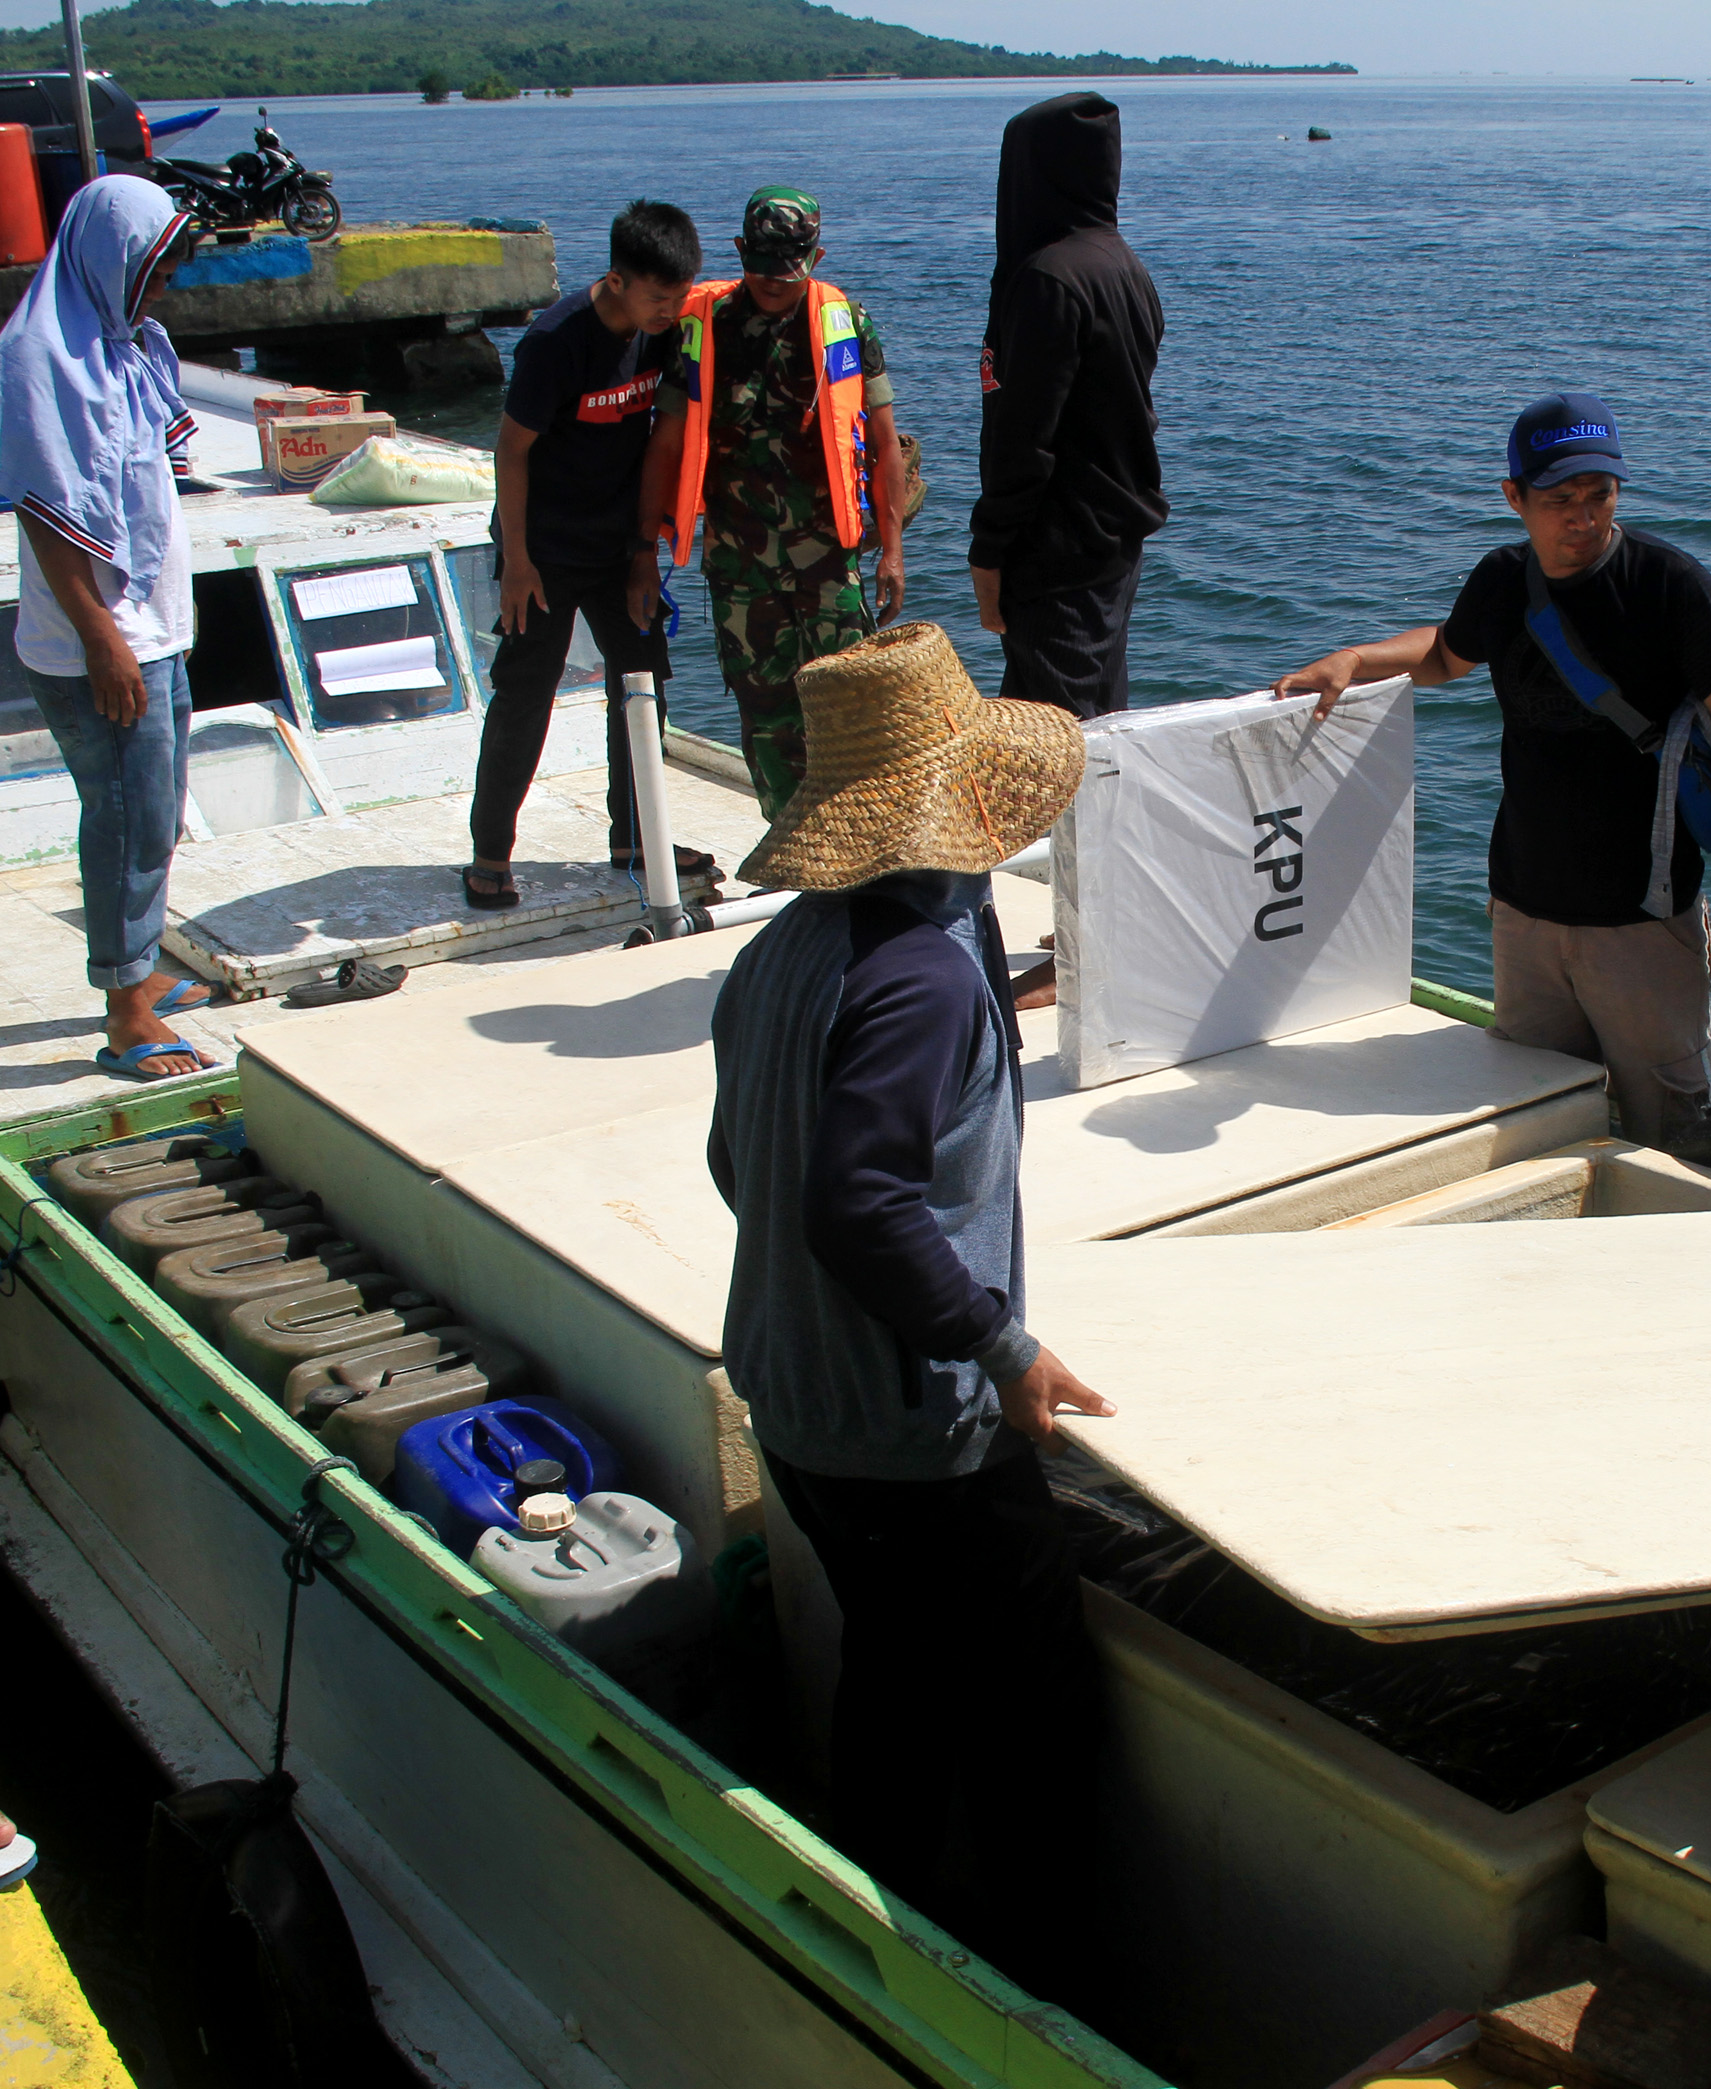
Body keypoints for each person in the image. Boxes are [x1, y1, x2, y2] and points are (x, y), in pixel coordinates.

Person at [705, 621, 1108, 1996]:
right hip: (912, 1432)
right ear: (971, 804)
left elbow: (738, 1166)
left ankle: (871, 1944)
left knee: (894, 1665)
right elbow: (860, 1202)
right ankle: (1049, 2000)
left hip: (793, 1401)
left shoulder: (786, 954)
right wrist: (1003, 1343)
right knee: (1036, 1725)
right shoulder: (926, 976)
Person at [1271, 391, 1711, 1147]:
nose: (1583, 517)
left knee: (1671, 1127)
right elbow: (1449, 653)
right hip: (1525, 914)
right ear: (1514, 497)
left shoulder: (1670, 586)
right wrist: (1356, 658)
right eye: (1559, 499)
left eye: (1600, 495)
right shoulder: (1504, 580)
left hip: (1642, 921)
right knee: (1537, 1116)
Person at [1, 176, 212, 1082]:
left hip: (153, 625)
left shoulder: (124, 344)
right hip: (103, 636)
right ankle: (126, 1013)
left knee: (158, 806)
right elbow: (48, 511)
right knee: (125, 814)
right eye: (153, 266)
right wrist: (100, 637)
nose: (161, 286)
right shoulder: (38, 355)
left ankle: (140, 966)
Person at [465, 199, 712, 911]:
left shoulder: (659, 333)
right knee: (525, 692)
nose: (671, 310)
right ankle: (490, 854)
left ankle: (635, 836)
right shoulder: (555, 342)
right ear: (617, 279)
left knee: (643, 680)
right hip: (539, 548)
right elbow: (511, 452)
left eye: (679, 295)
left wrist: (643, 553)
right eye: (659, 297)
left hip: (616, 545)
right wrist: (516, 560)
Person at [642, 186, 907, 817]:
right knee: (766, 717)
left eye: (788, 266)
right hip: (740, 568)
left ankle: (865, 843)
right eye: (760, 265)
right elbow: (665, 443)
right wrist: (640, 554)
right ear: (738, 252)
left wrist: (892, 551)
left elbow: (883, 441)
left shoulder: (845, 320)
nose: (774, 281)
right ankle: (793, 847)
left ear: (815, 254)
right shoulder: (703, 327)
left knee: (852, 707)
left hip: (827, 562)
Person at [969, 91, 1167, 720]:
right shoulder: (1122, 265)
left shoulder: (1048, 278)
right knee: (1097, 727)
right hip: (1112, 540)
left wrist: (989, 550)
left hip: (1057, 551)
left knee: (1054, 748)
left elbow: (1024, 438)